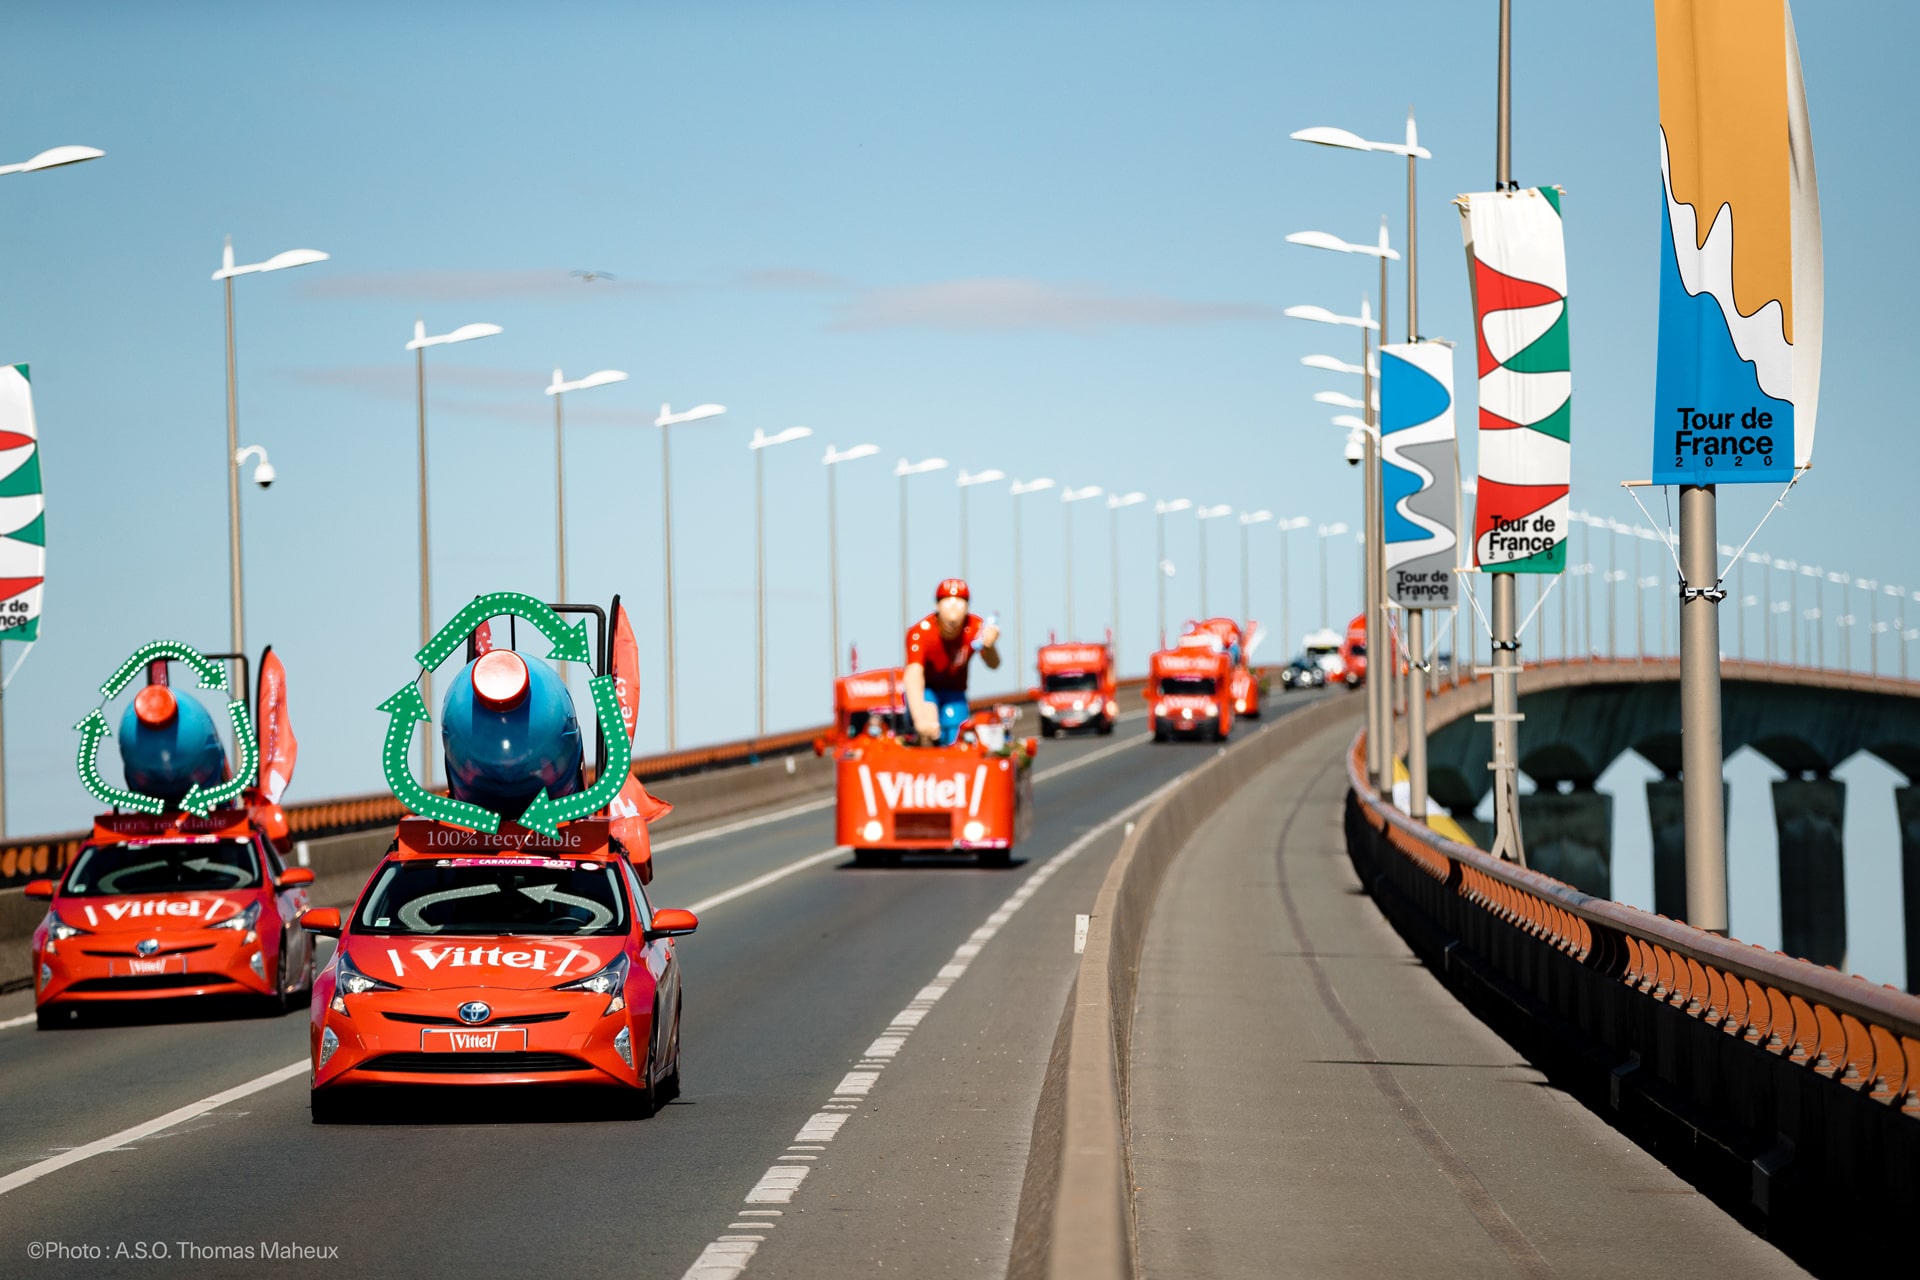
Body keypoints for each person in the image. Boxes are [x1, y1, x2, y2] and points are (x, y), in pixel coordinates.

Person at [902, 578, 1000, 745]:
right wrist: (919, 717)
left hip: (955, 692)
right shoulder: (920, 633)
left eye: (960, 601)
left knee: (957, 731)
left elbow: (993, 664)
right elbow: (913, 674)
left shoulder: (975, 628)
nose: (953, 606)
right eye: (947, 601)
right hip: (927, 689)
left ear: (967, 606)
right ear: (937, 606)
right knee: (929, 723)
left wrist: (989, 646)